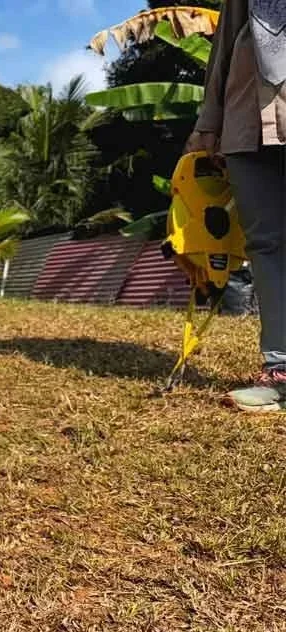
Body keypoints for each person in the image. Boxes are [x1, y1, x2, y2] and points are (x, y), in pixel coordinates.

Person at [187, 0, 286, 412]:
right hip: (246, 115)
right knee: (265, 244)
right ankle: (281, 371)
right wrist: (208, 124)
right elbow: (224, 46)